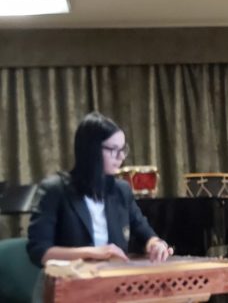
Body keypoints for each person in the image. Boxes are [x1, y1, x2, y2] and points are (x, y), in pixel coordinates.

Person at [27, 112, 173, 267]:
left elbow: (144, 233)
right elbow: (39, 251)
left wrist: (156, 244)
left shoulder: (121, 190)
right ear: (91, 150)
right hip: (69, 278)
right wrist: (92, 252)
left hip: (113, 278)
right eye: (114, 149)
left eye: (123, 149)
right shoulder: (55, 190)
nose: (121, 157)